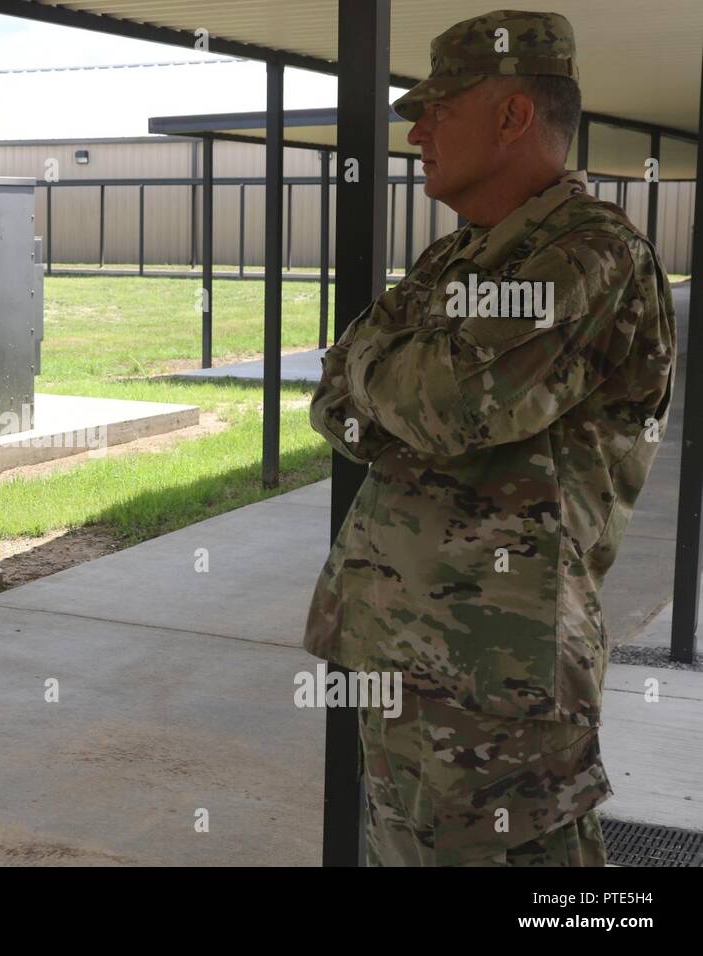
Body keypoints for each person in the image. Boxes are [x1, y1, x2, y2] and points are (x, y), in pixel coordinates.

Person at [302, 9, 676, 866]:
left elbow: (445, 401)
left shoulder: (588, 255)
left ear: (512, 116)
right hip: (407, 653)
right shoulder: (457, 259)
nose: (418, 130)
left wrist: (385, 372)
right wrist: (388, 379)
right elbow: (339, 404)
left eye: (439, 107)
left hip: (500, 676)